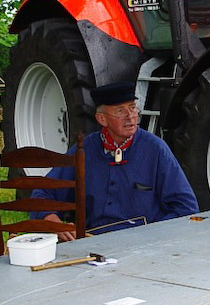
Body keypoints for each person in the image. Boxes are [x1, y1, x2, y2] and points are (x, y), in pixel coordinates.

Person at [33, 81, 198, 240]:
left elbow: (186, 207)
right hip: (92, 242)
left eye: (132, 108)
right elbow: (42, 193)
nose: (130, 117)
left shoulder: (155, 149)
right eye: (120, 111)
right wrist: (54, 222)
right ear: (102, 119)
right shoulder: (85, 150)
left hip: (143, 246)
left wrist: (151, 235)